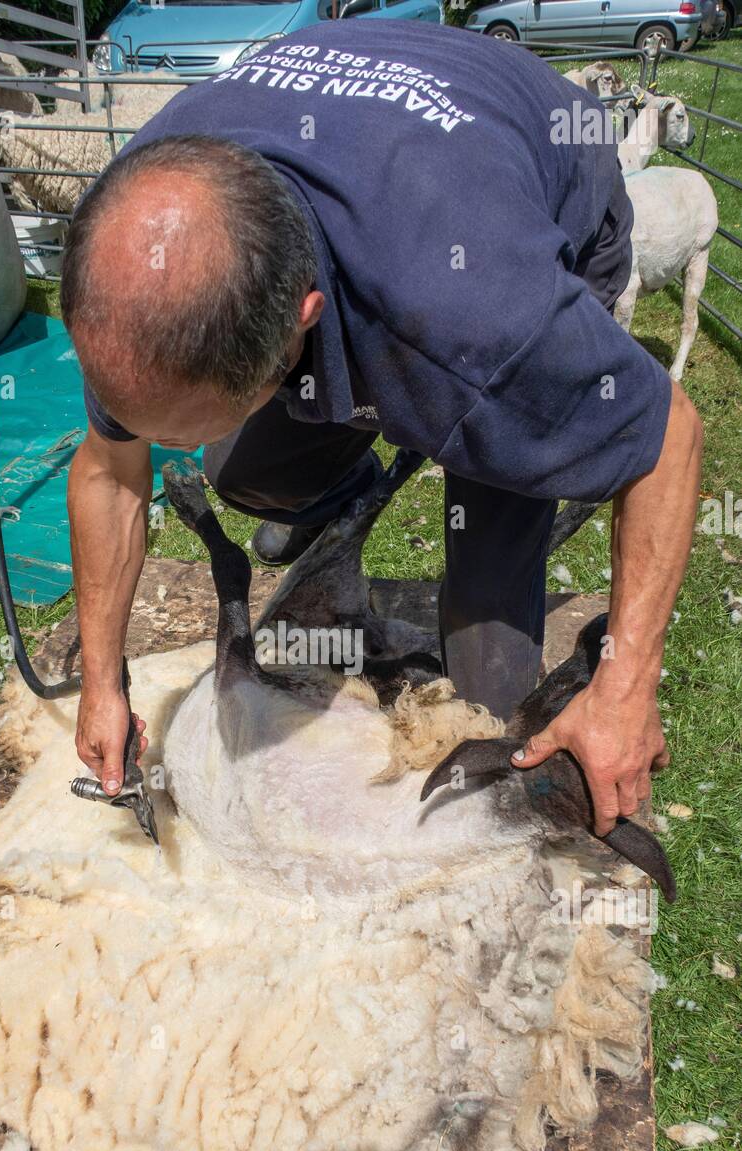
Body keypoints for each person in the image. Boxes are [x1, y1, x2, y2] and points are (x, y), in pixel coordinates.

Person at [60, 21, 702, 837]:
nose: (167, 449)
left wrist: (625, 688)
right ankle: (358, 491)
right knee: (248, 473)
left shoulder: (482, 318)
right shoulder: (136, 251)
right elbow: (110, 472)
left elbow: (669, 435)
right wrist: (102, 681)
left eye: (192, 422)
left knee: (486, 671)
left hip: (530, 179)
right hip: (380, 174)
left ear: (301, 327)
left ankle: (464, 492)